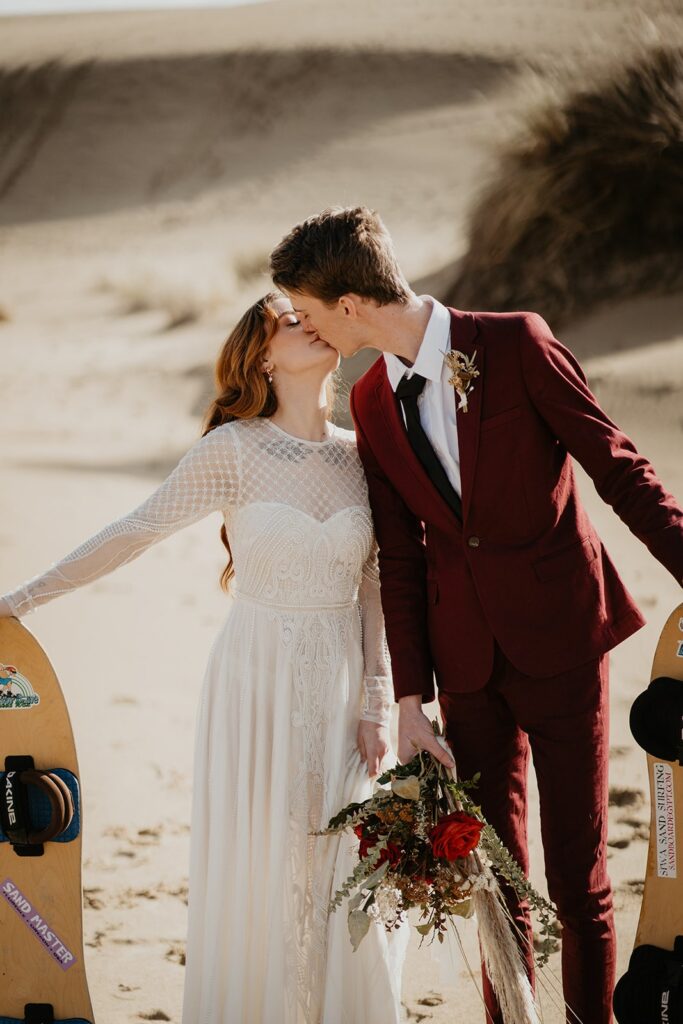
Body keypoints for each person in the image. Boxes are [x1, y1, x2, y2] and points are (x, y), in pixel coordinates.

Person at [269, 206, 683, 1024]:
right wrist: (411, 699)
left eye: (309, 308)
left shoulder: (516, 343)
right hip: (464, 667)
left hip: (563, 638)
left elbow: (616, 464)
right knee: (493, 875)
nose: (305, 324)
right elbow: (402, 556)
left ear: (349, 303)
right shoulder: (372, 403)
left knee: (577, 870)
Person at [0, 291, 410, 1024]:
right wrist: (22, 599)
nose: (310, 322)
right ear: (261, 356)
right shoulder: (236, 451)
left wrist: (378, 698)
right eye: (291, 321)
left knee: (347, 874)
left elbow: (378, 586)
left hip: (343, 688)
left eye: (312, 313)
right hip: (253, 684)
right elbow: (133, 531)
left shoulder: (362, 455)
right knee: (263, 870)